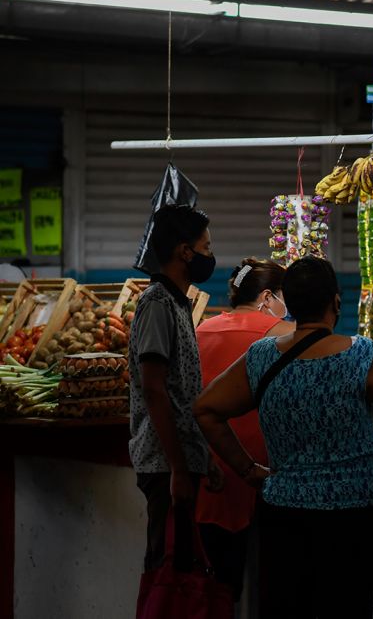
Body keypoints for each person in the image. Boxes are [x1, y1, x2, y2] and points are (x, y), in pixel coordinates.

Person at [193, 256, 373, 617]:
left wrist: (248, 470)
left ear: (289, 303)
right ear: (336, 302)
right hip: (357, 514)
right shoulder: (358, 354)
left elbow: (206, 410)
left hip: (286, 513)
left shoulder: (260, 357)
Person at [127, 204, 221, 577]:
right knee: (167, 574)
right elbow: (154, 390)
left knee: (182, 569)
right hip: (164, 465)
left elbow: (182, 395)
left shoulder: (179, 303)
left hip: (179, 461)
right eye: (207, 247)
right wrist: (179, 470)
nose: (210, 256)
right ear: (186, 251)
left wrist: (203, 458)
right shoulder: (157, 304)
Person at [194, 258, 294, 602]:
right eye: (284, 296)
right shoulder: (283, 336)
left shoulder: (201, 329)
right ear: (267, 296)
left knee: (217, 586)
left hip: (211, 466)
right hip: (264, 471)